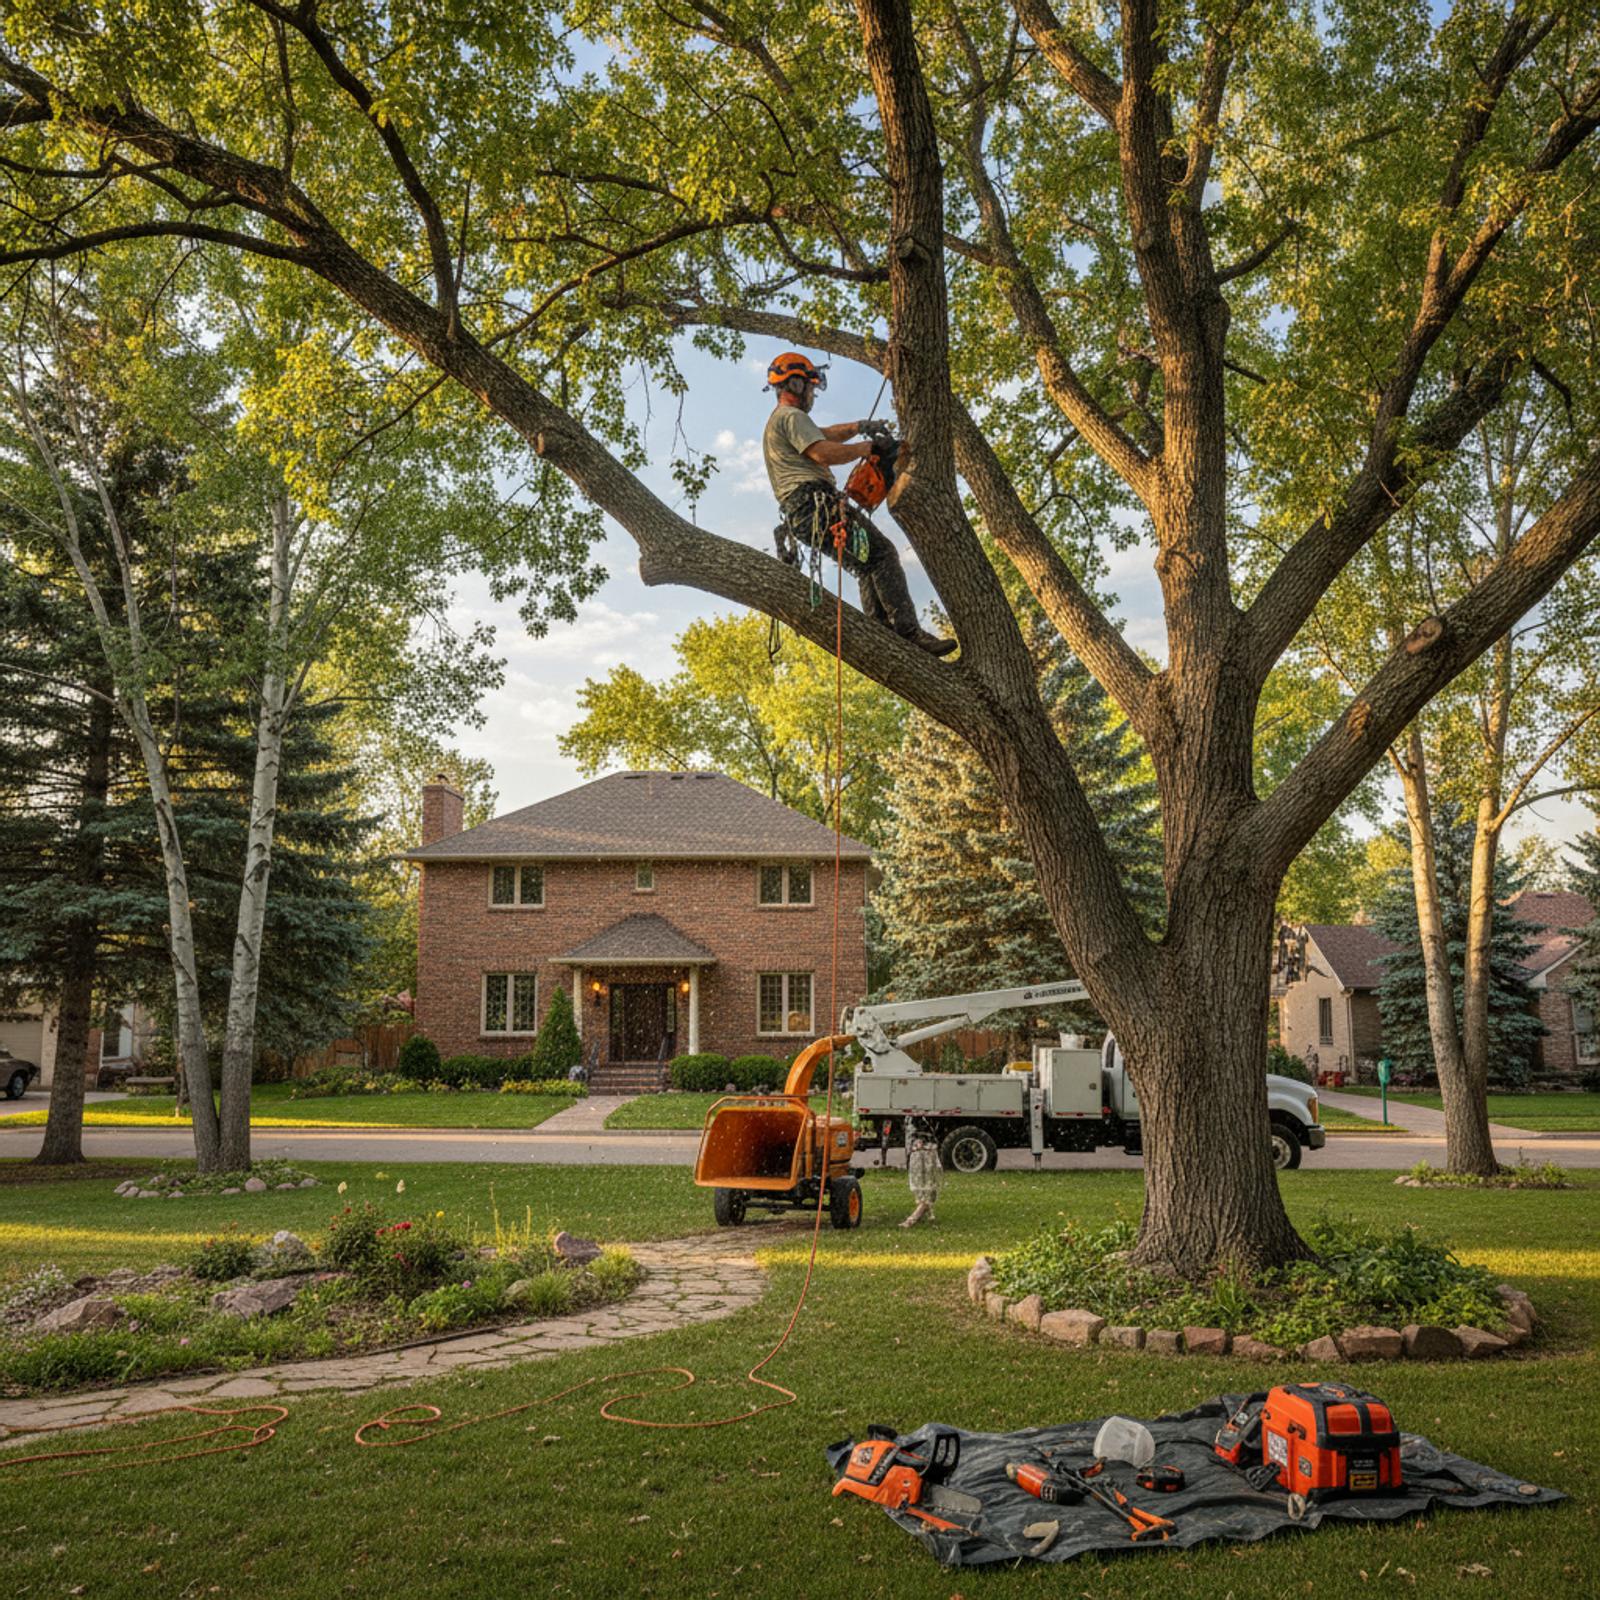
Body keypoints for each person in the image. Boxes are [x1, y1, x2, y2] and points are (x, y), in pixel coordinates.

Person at [762, 352, 956, 656]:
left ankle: (880, 632)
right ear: (797, 384)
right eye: (811, 387)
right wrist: (863, 448)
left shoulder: (787, 422)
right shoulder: (790, 417)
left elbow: (826, 433)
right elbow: (823, 452)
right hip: (813, 505)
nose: (813, 394)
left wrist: (859, 426)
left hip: (803, 512)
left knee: (866, 564)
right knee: (883, 554)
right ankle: (910, 632)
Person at [901, 1125, 943, 1228]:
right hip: (916, 1148)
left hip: (926, 1148)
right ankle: (926, 1210)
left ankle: (914, 1217)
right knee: (918, 1182)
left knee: (927, 1182)